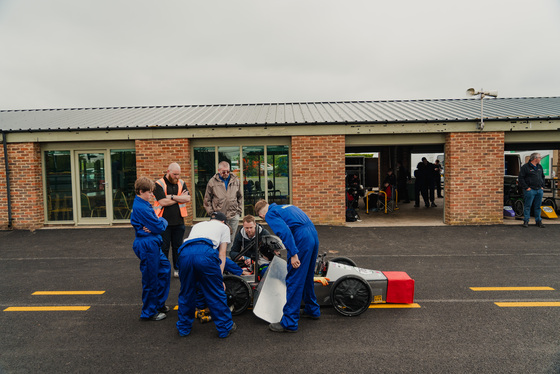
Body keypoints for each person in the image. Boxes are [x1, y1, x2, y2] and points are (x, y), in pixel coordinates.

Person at [254, 199, 320, 333]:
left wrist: (294, 253)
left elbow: (284, 232)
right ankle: (312, 309)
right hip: (312, 234)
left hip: (302, 238)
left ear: (261, 215)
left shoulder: (270, 214)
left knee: (294, 279)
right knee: (307, 276)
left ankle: (289, 322)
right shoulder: (286, 207)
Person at [175, 211, 236, 338]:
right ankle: (225, 328)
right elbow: (222, 254)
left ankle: (184, 328)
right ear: (224, 221)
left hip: (184, 253)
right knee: (215, 292)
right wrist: (219, 279)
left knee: (186, 292)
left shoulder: (198, 225)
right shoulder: (224, 227)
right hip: (205, 253)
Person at [130, 177, 171, 321]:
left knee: (165, 268)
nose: (152, 195)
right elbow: (159, 227)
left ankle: (158, 304)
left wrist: (156, 223)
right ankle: (149, 312)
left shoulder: (143, 203)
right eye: (150, 192)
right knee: (150, 278)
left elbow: (155, 226)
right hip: (147, 244)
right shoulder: (142, 207)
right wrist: (162, 221)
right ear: (141, 191)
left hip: (151, 242)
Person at [153, 163, 191, 278]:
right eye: (175, 174)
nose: (177, 177)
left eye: (178, 174)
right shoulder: (159, 184)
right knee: (164, 248)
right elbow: (163, 202)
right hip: (163, 222)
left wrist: (172, 197)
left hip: (179, 222)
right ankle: (163, 270)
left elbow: (188, 198)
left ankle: (177, 269)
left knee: (178, 247)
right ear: (168, 171)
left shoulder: (181, 183)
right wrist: (180, 198)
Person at [203, 161, 243, 252]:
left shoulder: (236, 180)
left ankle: (227, 258)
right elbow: (207, 200)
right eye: (223, 171)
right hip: (218, 217)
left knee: (231, 239)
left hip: (233, 215)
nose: (226, 174)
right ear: (218, 170)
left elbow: (240, 197)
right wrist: (212, 214)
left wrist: (238, 211)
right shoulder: (212, 182)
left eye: (228, 171)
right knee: (217, 237)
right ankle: (217, 257)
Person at [518, 152, 546, 228]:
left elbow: (543, 177)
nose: (540, 159)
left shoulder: (539, 166)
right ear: (535, 158)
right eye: (539, 157)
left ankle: (538, 221)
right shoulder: (525, 167)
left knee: (538, 206)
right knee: (528, 206)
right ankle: (526, 221)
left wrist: (542, 186)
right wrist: (526, 187)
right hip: (530, 190)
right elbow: (521, 178)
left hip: (539, 190)